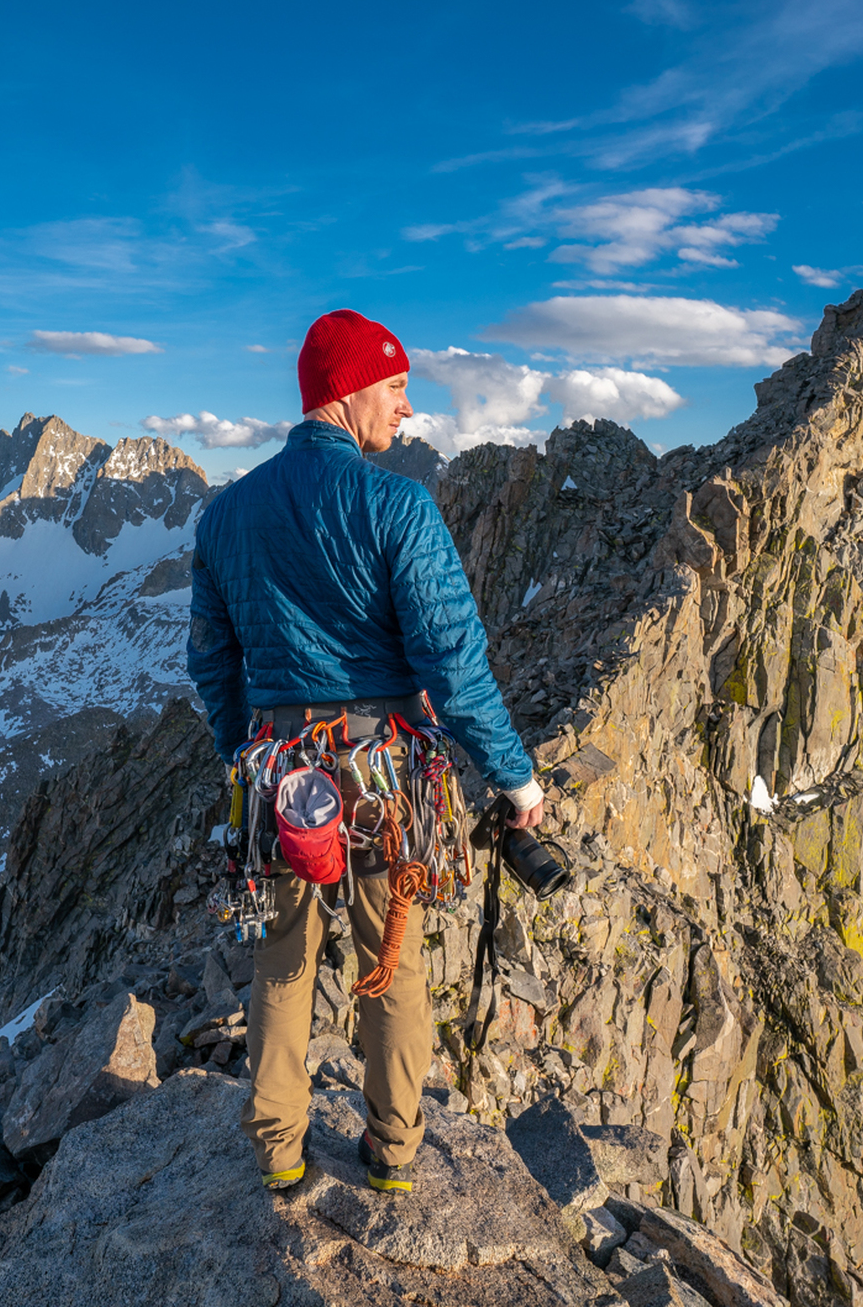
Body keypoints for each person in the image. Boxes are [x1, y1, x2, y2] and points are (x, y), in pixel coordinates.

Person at [187, 308, 545, 1196]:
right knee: (392, 959)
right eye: (396, 389)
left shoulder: (225, 516)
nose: (408, 410)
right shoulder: (399, 507)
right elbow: (453, 667)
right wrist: (516, 777)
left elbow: (212, 661)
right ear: (347, 393)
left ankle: (278, 1151)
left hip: (279, 771)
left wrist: (249, 757)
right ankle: (391, 1150)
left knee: (281, 959)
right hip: (385, 772)